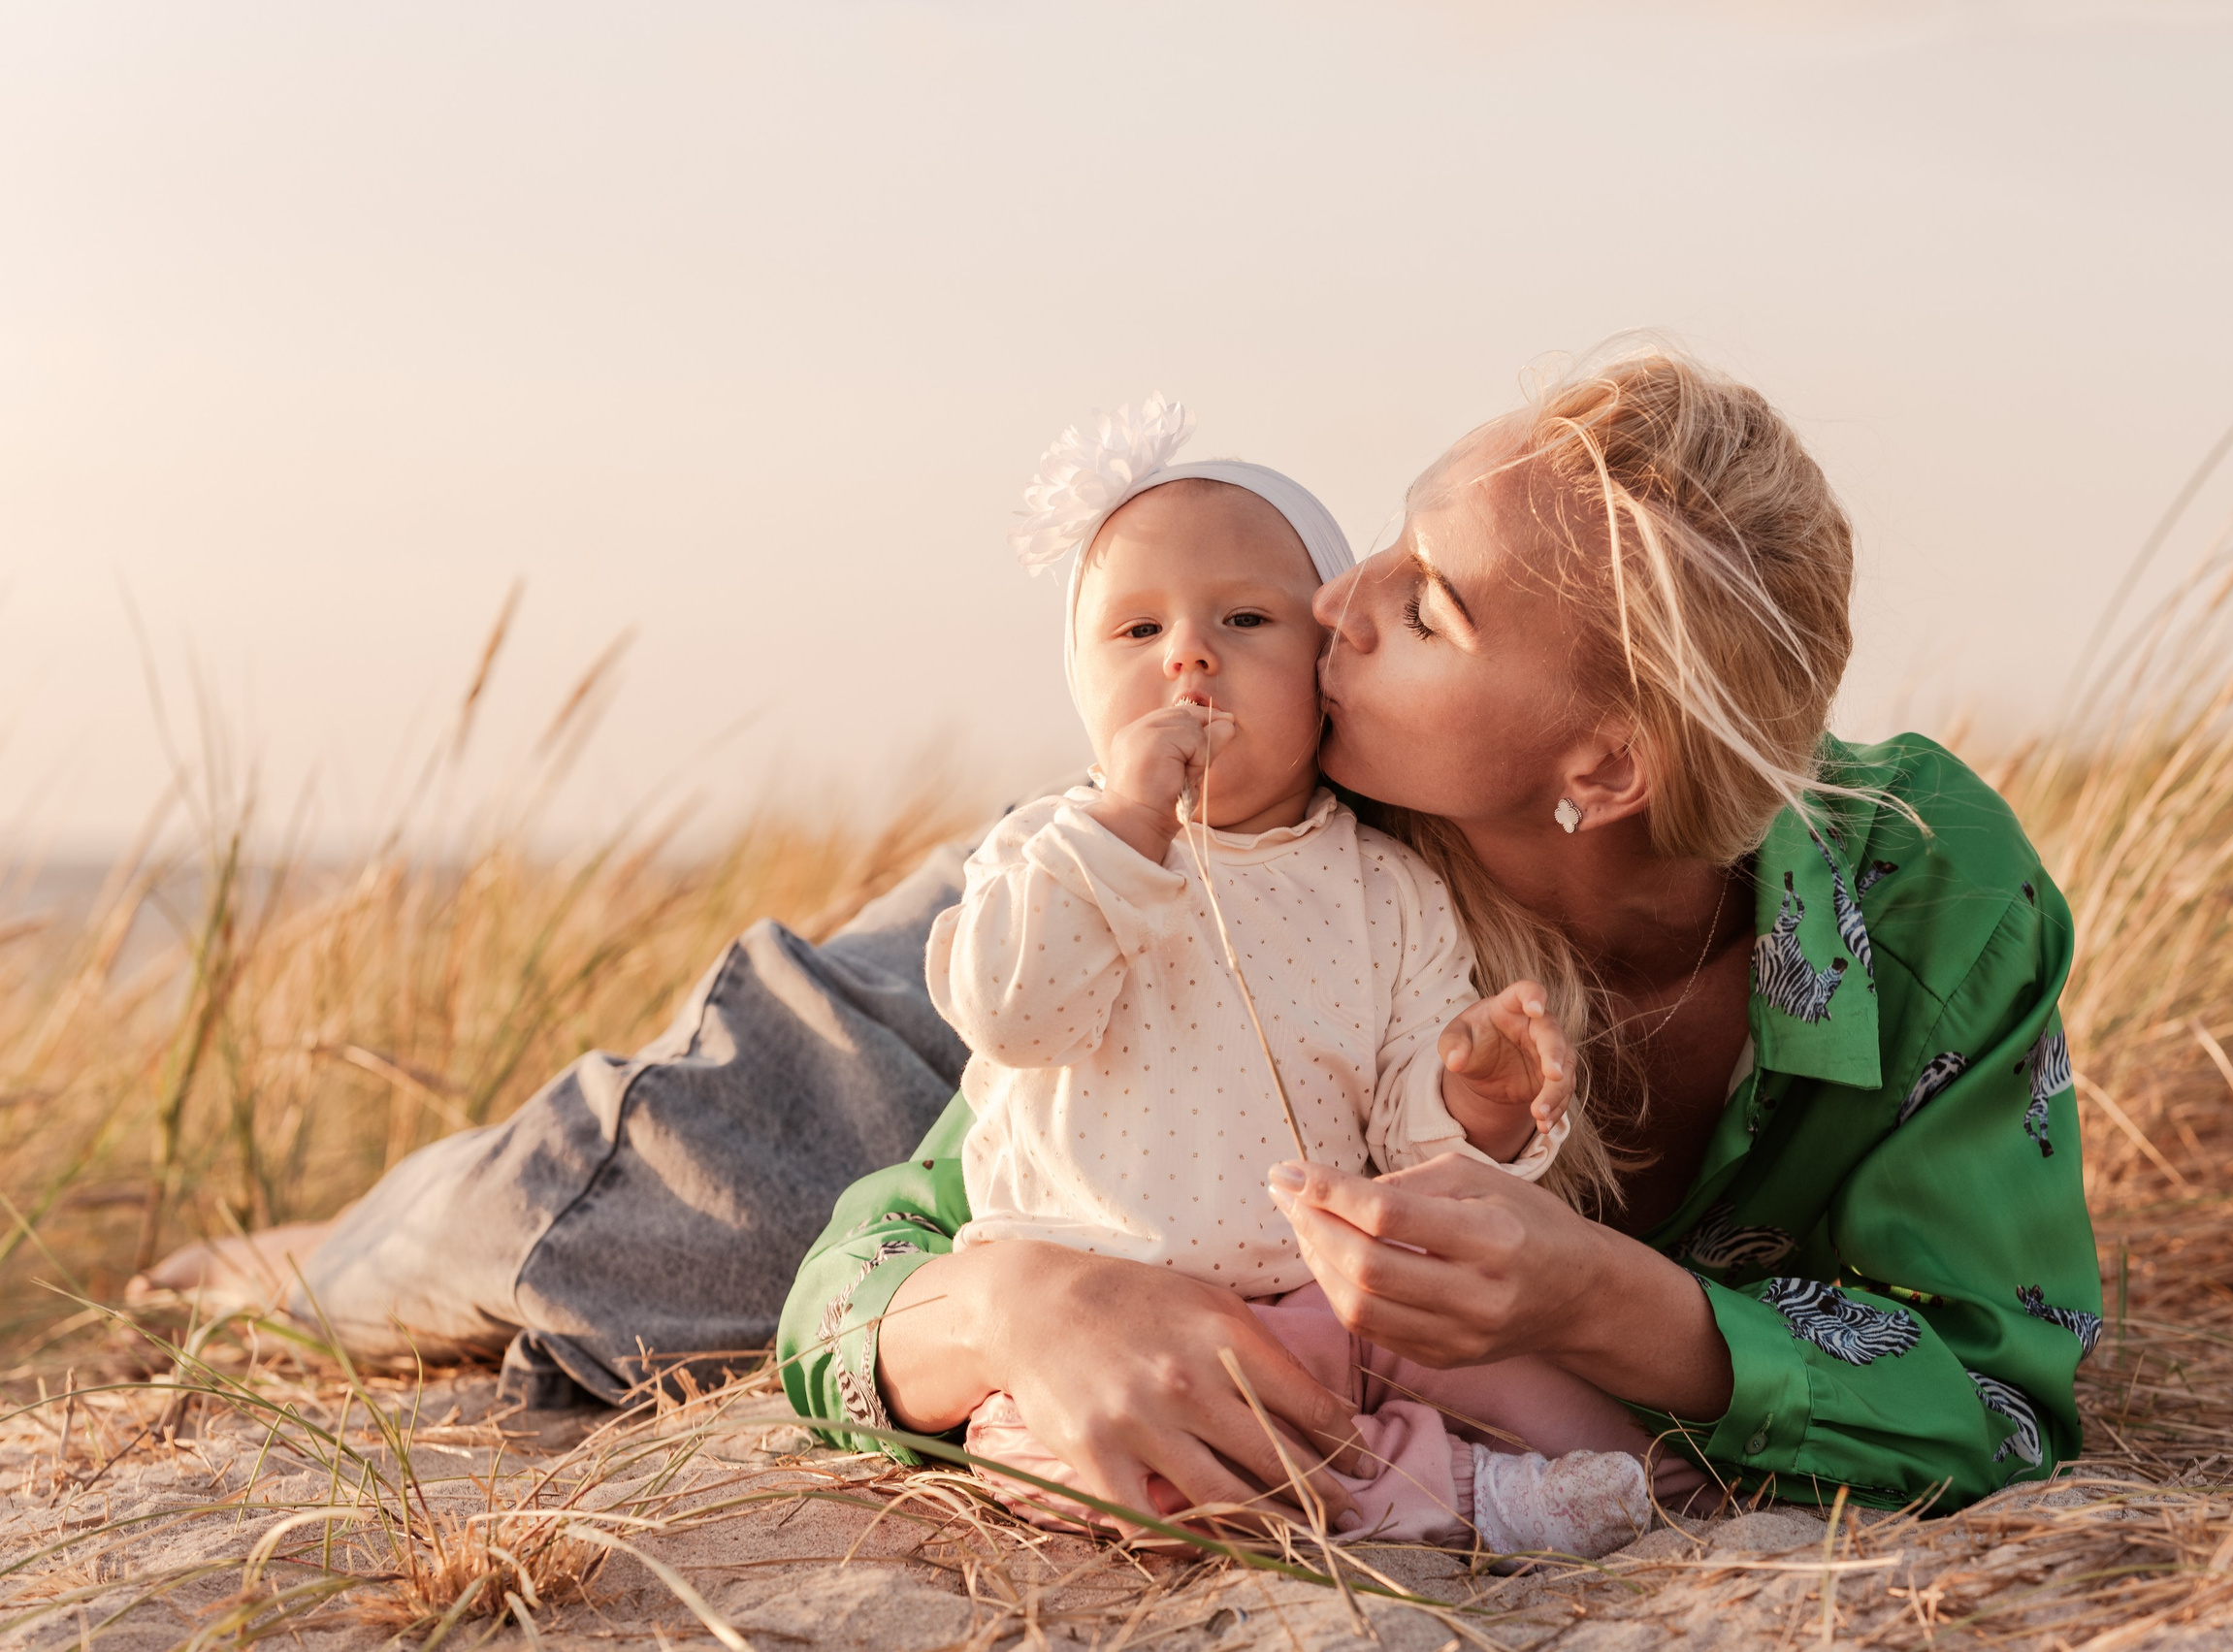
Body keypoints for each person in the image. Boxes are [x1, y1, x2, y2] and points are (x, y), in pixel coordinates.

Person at [779, 340, 2103, 1538]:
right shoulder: (1274, 836)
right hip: (1035, 927)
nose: (1331, 601)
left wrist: (1598, 1299)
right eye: (1392, 543)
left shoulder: (1935, 900)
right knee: (703, 1190)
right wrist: (1019, 1305)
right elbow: (872, 1260)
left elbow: (2001, 1404)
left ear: (1606, 764)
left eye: (1426, 610)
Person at [932, 402, 1668, 1555]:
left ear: (1323, 665)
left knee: (1556, 1395)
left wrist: (1471, 1094)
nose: (1188, 654)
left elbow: (1404, 1137)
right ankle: (1462, 1496)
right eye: (1136, 629)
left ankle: (1658, 1489)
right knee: (1111, 1472)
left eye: (1243, 618)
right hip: (1123, 1313)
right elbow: (1012, 1015)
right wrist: (1127, 824)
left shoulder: (1383, 885)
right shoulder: (1049, 854)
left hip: (1340, 1298)